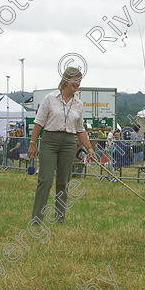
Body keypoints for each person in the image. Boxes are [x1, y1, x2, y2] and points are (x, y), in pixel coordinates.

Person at [28, 67, 95, 223]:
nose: (77, 83)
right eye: (75, 80)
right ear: (66, 80)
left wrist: (90, 148)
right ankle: (37, 218)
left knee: (63, 181)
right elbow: (38, 123)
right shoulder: (50, 98)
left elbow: (80, 129)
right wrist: (32, 143)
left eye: (79, 80)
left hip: (69, 143)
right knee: (45, 180)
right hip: (49, 141)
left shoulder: (78, 103)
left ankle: (60, 218)